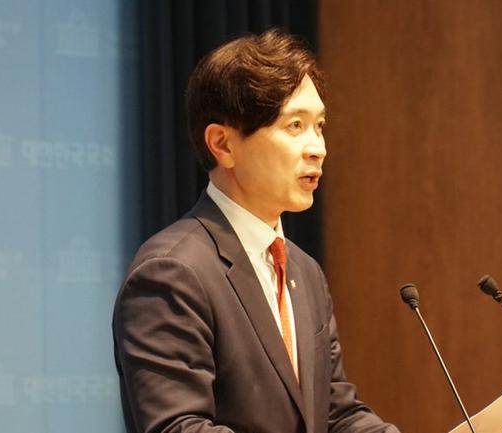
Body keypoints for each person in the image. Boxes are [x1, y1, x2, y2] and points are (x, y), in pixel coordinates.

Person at [112, 28, 400, 433]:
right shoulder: (172, 273)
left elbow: (335, 413)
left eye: (319, 126)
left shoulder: (304, 271)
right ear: (223, 144)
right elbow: (179, 426)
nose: (318, 148)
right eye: (295, 125)